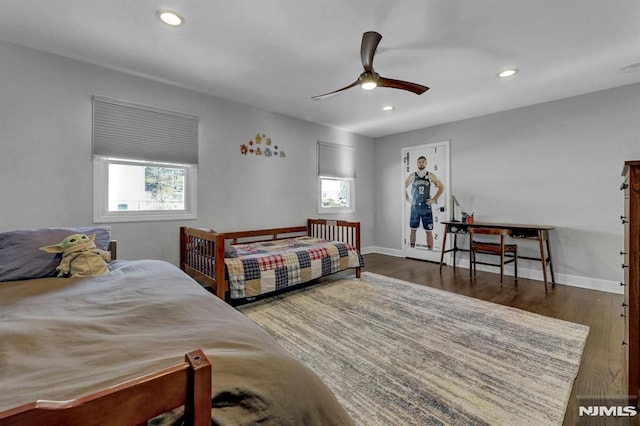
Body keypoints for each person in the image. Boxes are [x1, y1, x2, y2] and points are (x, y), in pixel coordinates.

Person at [405, 155, 444, 250]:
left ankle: (430, 251)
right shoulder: (412, 175)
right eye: (419, 162)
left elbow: (441, 187)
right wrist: (408, 199)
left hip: (426, 207)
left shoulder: (430, 175)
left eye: (423, 161)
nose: (421, 163)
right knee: (413, 230)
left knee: (429, 231)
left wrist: (434, 199)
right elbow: (402, 187)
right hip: (415, 208)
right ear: (417, 164)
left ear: (426, 163)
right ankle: (412, 250)